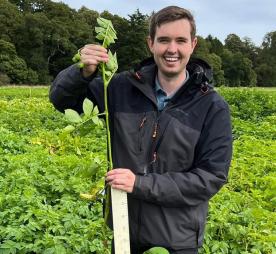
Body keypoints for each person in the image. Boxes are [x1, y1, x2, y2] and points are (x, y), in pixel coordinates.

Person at [49, 5, 232, 254]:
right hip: (125, 234)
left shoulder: (212, 106)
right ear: (151, 43)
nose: (172, 49)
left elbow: (210, 177)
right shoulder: (121, 88)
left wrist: (140, 184)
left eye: (180, 40)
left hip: (177, 241)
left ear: (193, 44)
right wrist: (81, 72)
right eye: (164, 40)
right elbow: (63, 100)